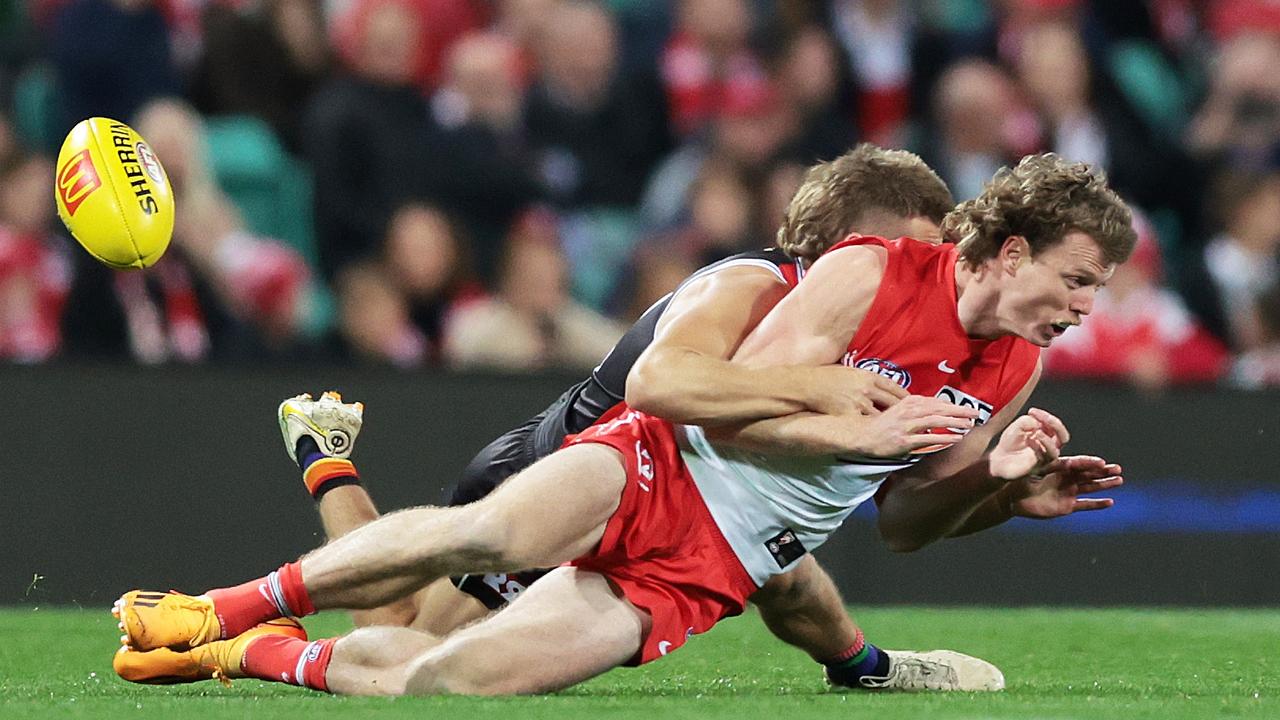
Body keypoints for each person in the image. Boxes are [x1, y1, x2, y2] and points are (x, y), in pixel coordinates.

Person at [112, 152, 1133, 697]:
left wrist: (997, 488)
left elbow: (906, 520)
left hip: (716, 561)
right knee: (474, 544)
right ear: (1005, 250)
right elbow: (698, 405)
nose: (1086, 307)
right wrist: (838, 415)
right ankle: (222, 607)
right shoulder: (842, 276)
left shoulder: (1016, 360)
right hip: (641, 457)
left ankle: (250, 654)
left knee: (444, 681)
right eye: (1076, 280)